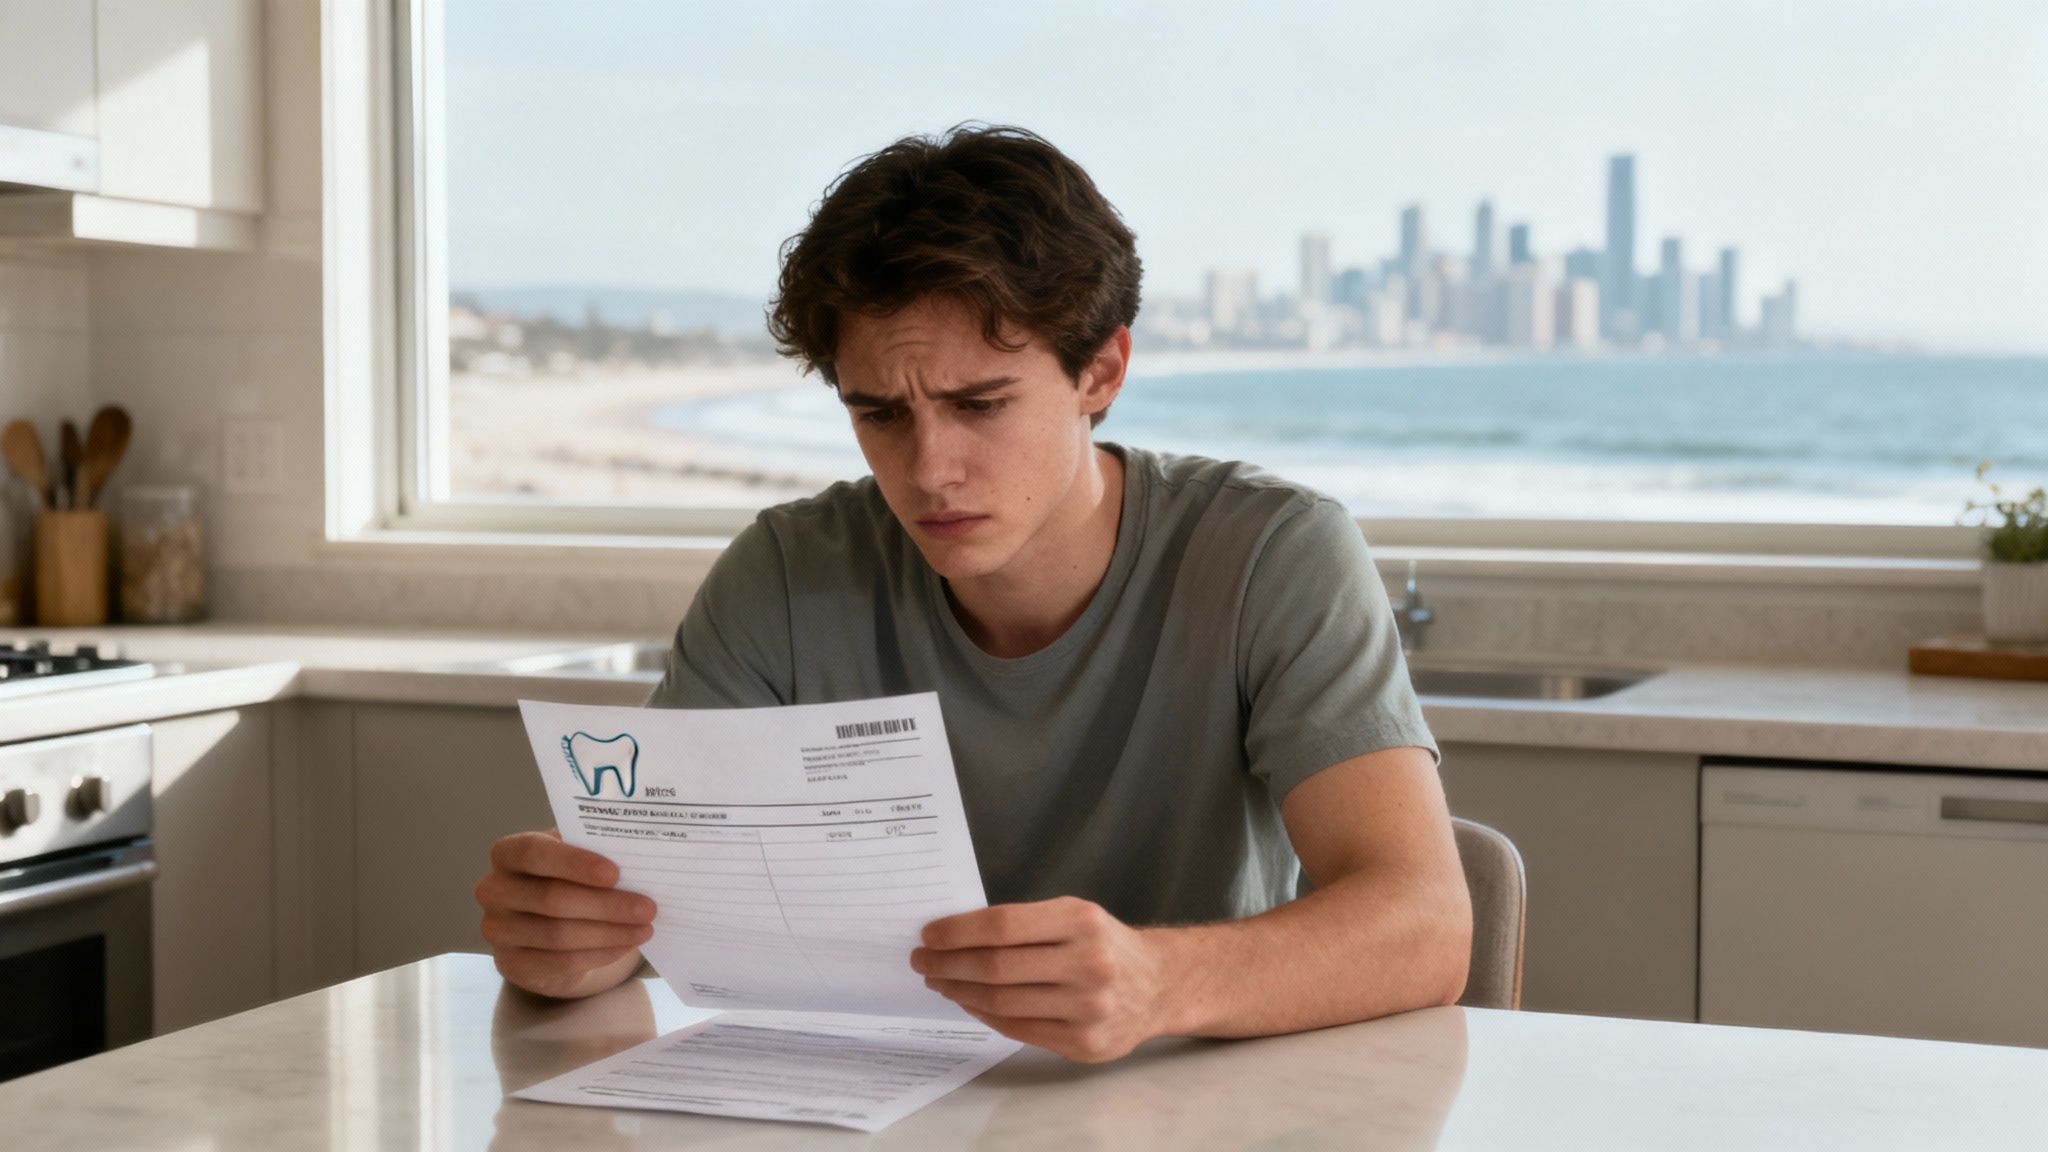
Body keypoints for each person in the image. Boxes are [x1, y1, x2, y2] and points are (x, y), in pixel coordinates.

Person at [475, 124, 1471, 1063]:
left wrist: (1157, 982)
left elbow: (1425, 925)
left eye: (978, 404)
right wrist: (569, 944)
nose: (929, 470)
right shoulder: (785, 572)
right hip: (869, 1103)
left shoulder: (1270, 556)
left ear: (1101, 370)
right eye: (878, 413)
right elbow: (652, 915)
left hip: (1184, 1110)